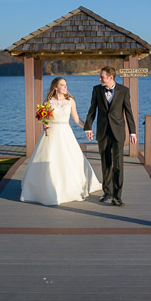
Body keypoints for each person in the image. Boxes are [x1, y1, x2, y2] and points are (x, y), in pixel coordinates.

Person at [20, 77, 101, 205]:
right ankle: (44, 188)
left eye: (66, 85)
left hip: (65, 133)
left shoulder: (70, 101)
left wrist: (87, 128)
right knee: (51, 159)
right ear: (55, 87)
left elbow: (76, 119)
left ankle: (71, 187)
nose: (65, 87)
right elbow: (44, 119)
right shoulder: (48, 102)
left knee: (69, 159)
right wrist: (44, 125)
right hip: (51, 134)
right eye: (62, 85)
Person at [84, 66, 137, 207]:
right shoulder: (96, 90)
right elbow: (92, 110)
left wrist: (133, 132)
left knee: (118, 164)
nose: (99, 78)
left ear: (111, 77)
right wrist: (88, 127)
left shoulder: (124, 91)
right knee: (106, 163)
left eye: (102, 77)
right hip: (103, 132)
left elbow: (128, 112)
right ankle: (107, 191)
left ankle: (117, 196)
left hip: (118, 132)